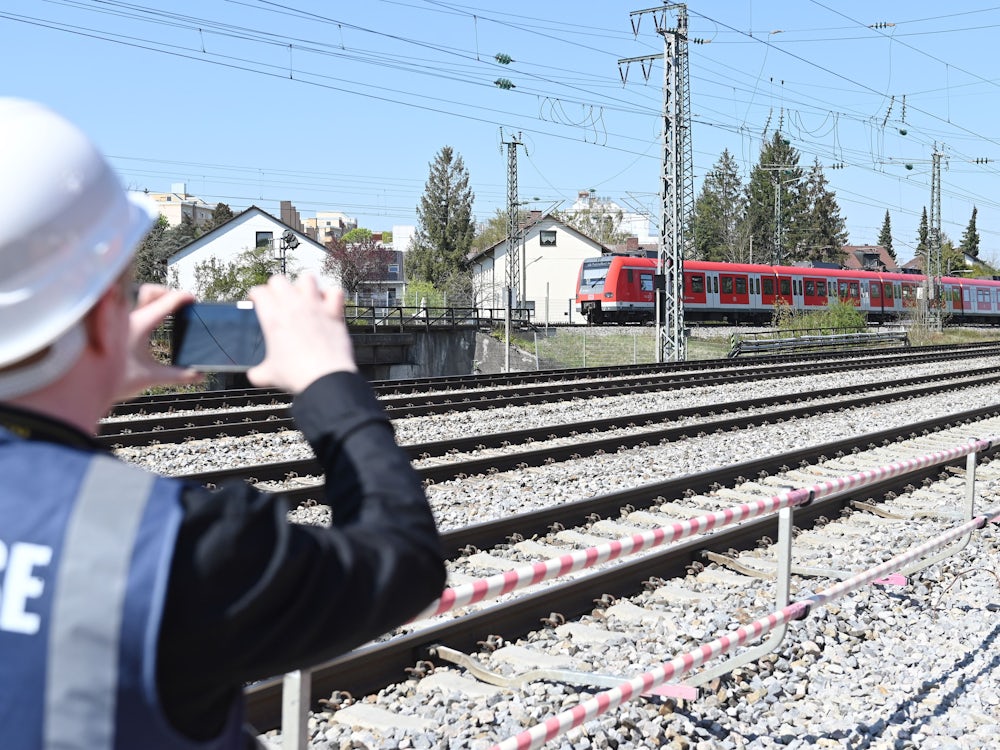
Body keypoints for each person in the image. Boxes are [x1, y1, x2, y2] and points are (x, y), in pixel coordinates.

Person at [0, 98, 446, 748]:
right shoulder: (167, 544)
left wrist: (86, 379)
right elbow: (403, 562)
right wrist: (329, 384)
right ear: (100, 318)